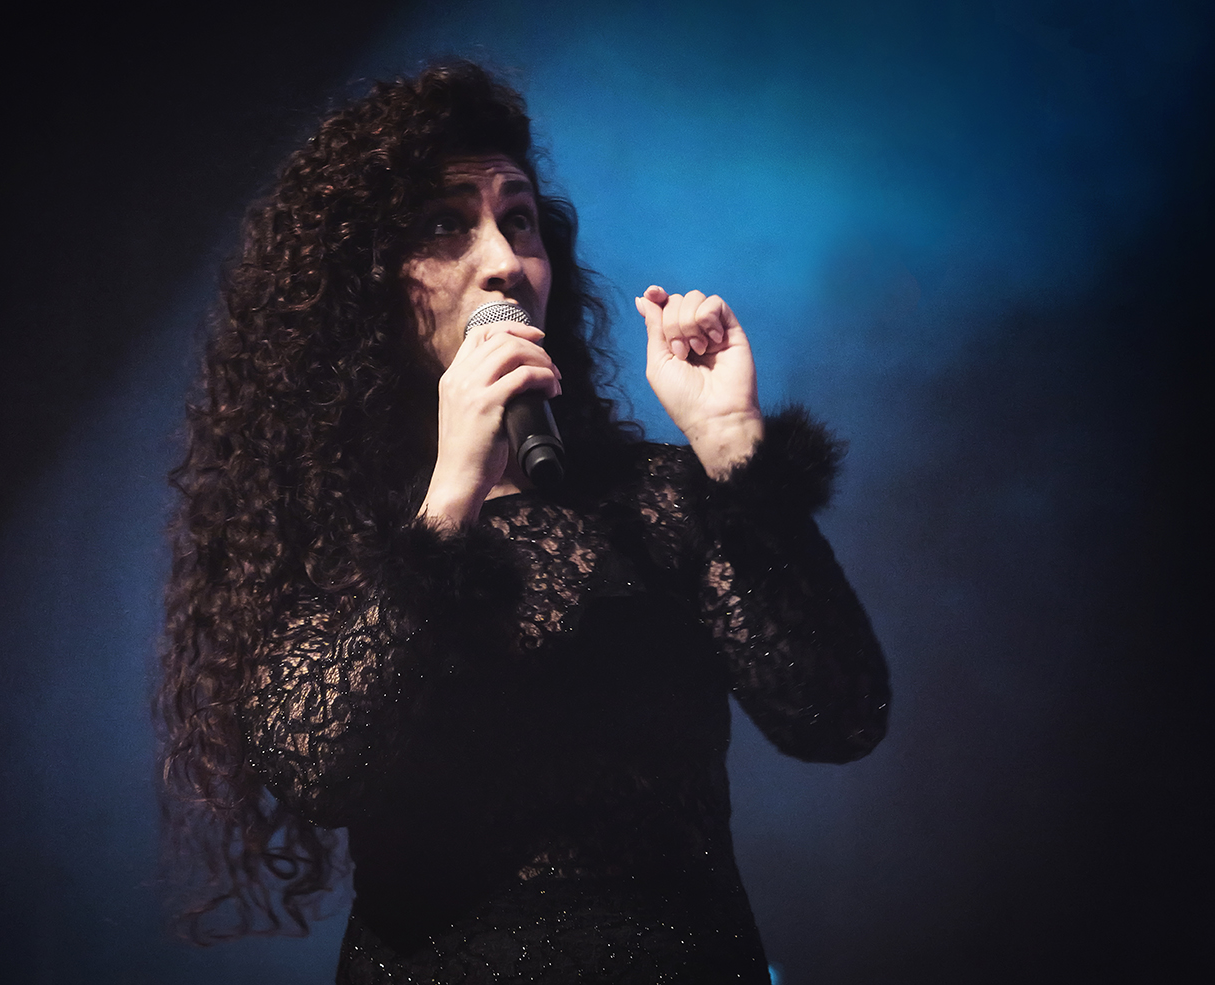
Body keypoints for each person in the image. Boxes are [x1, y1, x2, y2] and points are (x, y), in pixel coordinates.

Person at [160, 61, 889, 984]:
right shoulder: (323, 524)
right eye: (444, 224)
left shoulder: (656, 498)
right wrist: (449, 499)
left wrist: (732, 443)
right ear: (367, 280)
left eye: (519, 219)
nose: (504, 260)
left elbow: (840, 716)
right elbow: (317, 769)